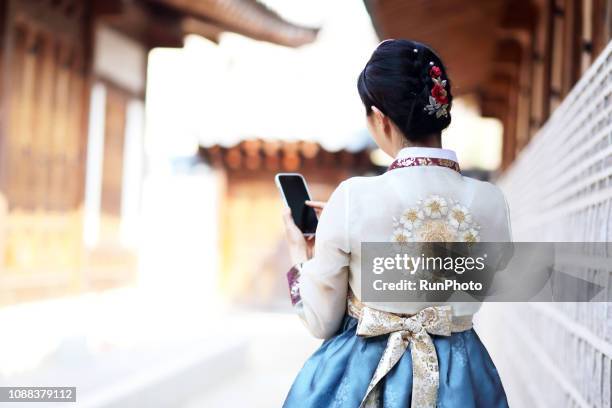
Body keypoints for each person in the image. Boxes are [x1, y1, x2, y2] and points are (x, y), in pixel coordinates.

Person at [281, 39, 511, 408]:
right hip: (461, 380)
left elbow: (321, 322)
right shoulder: (491, 201)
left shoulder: (352, 197)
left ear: (379, 117)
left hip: (363, 375)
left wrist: (302, 251)